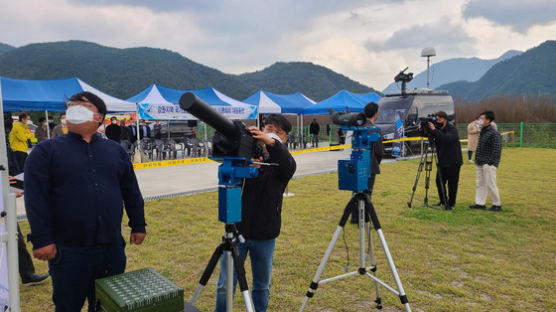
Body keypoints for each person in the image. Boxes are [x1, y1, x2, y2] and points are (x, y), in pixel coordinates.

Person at [24, 91, 147, 312]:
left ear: (100, 117)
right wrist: (42, 238)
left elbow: (131, 191)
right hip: (69, 250)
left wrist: (138, 224)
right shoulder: (46, 151)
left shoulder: (115, 151)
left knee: (106, 305)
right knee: (68, 305)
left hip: (111, 248)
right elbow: (36, 198)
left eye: (83, 105)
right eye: (71, 106)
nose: (74, 108)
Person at [215, 114, 296, 312]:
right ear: (260, 129)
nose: (273, 134)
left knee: (261, 286)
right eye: (269, 128)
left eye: (279, 133)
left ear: (285, 139)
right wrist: (245, 162)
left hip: (265, 234)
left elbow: (288, 164)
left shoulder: (282, 164)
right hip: (237, 231)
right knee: (226, 285)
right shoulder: (246, 156)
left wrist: (270, 143)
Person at [351, 102, 383, 223]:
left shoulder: (358, 127)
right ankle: (364, 218)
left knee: (356, 191)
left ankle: (355, 217)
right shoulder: (375, 130)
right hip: (370, 165)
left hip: (357, 163)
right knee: (367, 193)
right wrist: (376, 163)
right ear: (376, 114)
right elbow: (379, 152)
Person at [425, 111, 462, 210]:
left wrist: (434, 130)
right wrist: (423, 129)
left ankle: (451, 203)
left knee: (452, 183)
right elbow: (429, 135)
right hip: (442, 160)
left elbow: (446, 138)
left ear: (445, 119)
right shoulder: (437, 129)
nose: (438, 121)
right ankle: (443, 201)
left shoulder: (452, 129)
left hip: (453, 160)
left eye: (439, 119)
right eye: (436, 119)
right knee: (439, 181)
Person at [470, 111, 502, 211]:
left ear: (488, 120)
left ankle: (496, 204)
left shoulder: (494, 133)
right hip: (480, 162)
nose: (480, 120)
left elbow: (496, 149)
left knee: (490, 183)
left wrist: (491, 162)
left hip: (488, 163)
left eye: (482, 118)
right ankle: (480, 203)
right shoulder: (482, 132)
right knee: (480, 183)